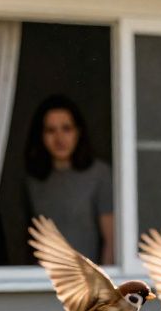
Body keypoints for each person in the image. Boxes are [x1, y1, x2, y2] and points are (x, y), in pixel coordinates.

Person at [24, 95, 115, 264]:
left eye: (66, 129)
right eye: (51, 130)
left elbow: (111, 239)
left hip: (86, 282)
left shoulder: (99, 174)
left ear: (78, 132)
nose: (59, 139)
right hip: (40, 280)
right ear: (41, 136)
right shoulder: (34, 180)